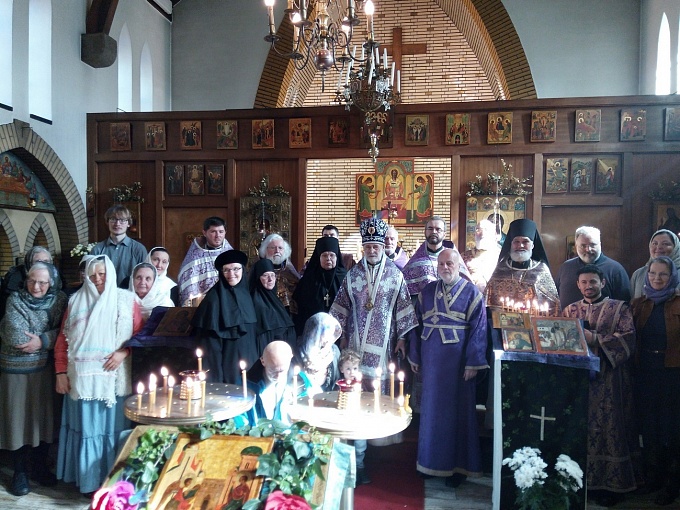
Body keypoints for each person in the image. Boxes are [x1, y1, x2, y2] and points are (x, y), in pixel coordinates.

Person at [55, 256, 143, 496]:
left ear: (111, 274)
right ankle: (89, 483)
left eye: (102, 274)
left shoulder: (126, 300)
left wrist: (124, 352)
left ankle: (114, 483)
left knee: (113, 433)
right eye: (92, 275)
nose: (97, 279)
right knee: (87, 432)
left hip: (113, 383)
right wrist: (60, 372)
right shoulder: (75, 301)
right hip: (81, 382)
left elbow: (139, 335)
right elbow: (63, 340)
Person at [407, 249, 488, 488]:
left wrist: (473, 362)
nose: (445, 267)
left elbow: (479, 330)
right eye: (441, 264)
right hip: (432, 365)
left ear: (458, 265)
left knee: (458, 413)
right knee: (431, 413)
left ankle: (458, 468)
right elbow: (416, 325)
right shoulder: (427, 291)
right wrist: (415, 355)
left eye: (449, 263)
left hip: (458, 365)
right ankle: (429, 463)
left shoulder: (472, 293)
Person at [562, 264, 639, 506]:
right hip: (580, 382)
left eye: (593, 281)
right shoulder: (570, 310)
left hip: (610, 381)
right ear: (578, 285)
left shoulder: (620, 308)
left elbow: (628, 338)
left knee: (610, 428)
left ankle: (613, 486)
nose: (589, 286)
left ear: (602, 283)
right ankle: (582, 482)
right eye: (584, 282)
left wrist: (594, 338)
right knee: (582, 428)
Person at [0, 262, 68, 496]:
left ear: (51, 283)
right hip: (16, 371)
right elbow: (16, 336)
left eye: (42, 282)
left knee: (44, 420)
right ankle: (19, 472)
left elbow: (66, 331)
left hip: (45, 370)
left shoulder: (60, 300)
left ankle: (39, 467)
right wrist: (48, 334)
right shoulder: (15, 299)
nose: (36, 286)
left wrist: (42, 340)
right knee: (18, 421)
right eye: (31, 280)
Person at [331, 217, 417, 381]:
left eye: (375, 247)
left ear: (382, 247)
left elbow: (404, 308)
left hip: (386, 338)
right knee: (356, 379)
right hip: (355, 338)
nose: (372, 251)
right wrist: (342, 336)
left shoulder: (395, 275)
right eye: (368, 247)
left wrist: (402, 338)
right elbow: (341, 307)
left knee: (380, 381)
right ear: (363, 248)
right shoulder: (352, 275)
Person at [630, 256, 680, 506]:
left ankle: (673, 483)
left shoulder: (678, 303)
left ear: (672, 277)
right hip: (645, 373)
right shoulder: (639, 304)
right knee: (649, 427)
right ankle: (653, 478)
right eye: (653, 273)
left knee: (671, 429)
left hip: (673, 374)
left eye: (663, 274)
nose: (657, 278)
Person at [191, 250, 258, 384]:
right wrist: (216, 383)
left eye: (235, 269)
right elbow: (210, 351)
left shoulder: (248, 295)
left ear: (243, 270)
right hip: (227, 373)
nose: (231, 274)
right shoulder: (213, 300)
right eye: (226, 270)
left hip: (250, 369)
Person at [484, 218, 560, 312]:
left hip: (533, 320)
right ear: (511, 244)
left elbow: (553, 307)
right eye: (516, 241)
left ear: (532, 245)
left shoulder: (541, 271)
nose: (520, 246)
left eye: (525, 242)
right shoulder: (500, 269)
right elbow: (487, 304)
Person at [555, 226, 631, 309]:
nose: (588, 249)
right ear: (576, 246)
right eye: (583, 246)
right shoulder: (566, 267)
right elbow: (555, 298)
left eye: (593, 245)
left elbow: (624, 307)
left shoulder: (615, 270)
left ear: (600, 245)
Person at [402, 216, 470, 299]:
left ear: (444, 234)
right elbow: (407, 295)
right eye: (430, 229)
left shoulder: (453, 258)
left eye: (438, 229)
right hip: (426, 305)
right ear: (425, 232)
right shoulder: (415, 262)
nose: (434, 232)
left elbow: (466, 287)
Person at [292, 236, 347, 336]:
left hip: (340, 331)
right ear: (319, 257)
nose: (328, 259)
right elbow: (300, 307)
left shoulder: (345, 278)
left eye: (332, 255)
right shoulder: (308, 279)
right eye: (324, 255)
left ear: (337, 257)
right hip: (314, 331)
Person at [177, 216, 233, 306]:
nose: (218, 236)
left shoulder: (230, 255)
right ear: (204, 232)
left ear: (225, 232)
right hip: (203, 304)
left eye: (221, 231)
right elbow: (190, 283)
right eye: (213, 231)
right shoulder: (195, 256)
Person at [91, 204, 148, 287]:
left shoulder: (139, 249)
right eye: (113, 219)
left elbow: (145, 276)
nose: (117, 224)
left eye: (122, 220)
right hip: (103, 293)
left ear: (129, 223)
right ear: (107, 222)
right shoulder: (97, 249)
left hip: (130, 293)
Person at [249, 258, 296, 351]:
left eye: (272, 275)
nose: (270, 279)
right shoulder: (255, 301)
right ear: (258, 278)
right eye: (265, 275)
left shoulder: (275, 299)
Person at [243, 340, 294, 425]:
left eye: (282, 371)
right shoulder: (246, 386)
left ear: (290, 358)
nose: (278, 376)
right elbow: (240, 420)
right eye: (272, 370)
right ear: (263, 361)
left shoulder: (299, 380)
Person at [0, 246, 59, 318]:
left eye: (46, 261)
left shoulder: (56, 282)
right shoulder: (14, 280)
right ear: (29, 263)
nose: (42, 265)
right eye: (38, 261)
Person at [296, 312, 341, 396]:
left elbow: (338, 382)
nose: (326, 343)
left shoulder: (334, 352)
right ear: (311, 332)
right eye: (319, 335)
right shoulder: (297, 354)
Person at [629, 229, 680, 299]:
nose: (659, 247)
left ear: (676, 247)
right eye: (654, 243)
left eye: (665, 244)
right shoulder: (639, 274)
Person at [258, 233, 300, 311]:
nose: (277, 251)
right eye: (273, 248)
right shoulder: (258, 270)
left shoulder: (289, 271)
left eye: (280, 248)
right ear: (265, 250)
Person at [462, 219, 501, 293]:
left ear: (495, 234)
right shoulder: (464, 257)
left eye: (486, 230)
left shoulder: (502, 257)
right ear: (474, 235)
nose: (482, 234)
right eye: (478, 230)